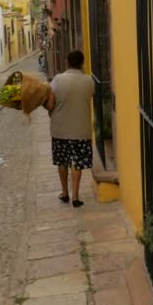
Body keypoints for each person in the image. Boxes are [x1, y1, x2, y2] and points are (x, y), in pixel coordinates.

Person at [43, 51, 95, 208]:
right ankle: (76, 197)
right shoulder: (89, 81)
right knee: (77, 163)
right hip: (81, 129)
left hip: (60, 129)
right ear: (82, 63)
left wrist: (44, 105)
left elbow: (50, 105)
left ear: (67, 62)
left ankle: (65, 192)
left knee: (62, 161)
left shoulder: (57, 80)